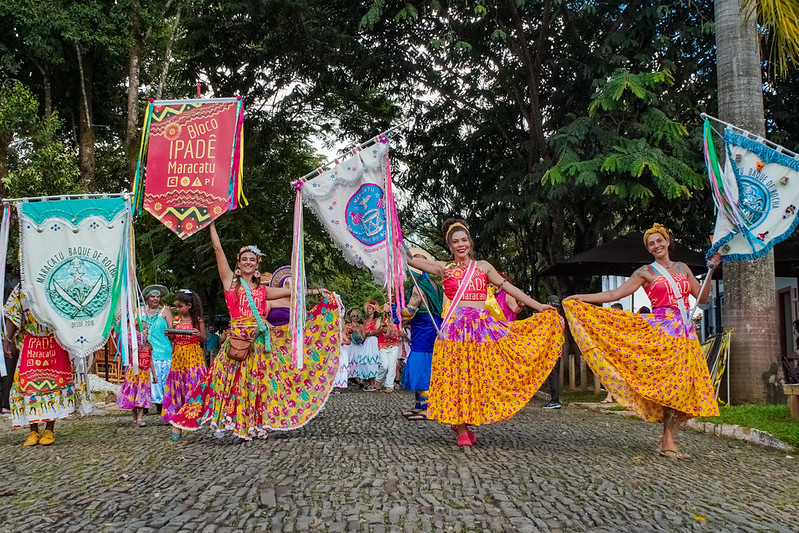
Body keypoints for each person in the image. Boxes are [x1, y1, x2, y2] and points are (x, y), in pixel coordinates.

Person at [168, 221, 339, 440]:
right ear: (238, 264)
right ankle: (179, 423)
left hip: (257, 346)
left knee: (257, 385)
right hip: (236, 344)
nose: (248, 262)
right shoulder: (231, 283)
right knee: (213, 383)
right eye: (244, 259)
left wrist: (317, 291)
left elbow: (293, 292)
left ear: (257, 266)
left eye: (252, 260)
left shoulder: (262, 290)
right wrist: (211, 225)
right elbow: (218, 250)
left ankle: (253, 424)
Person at [563, 223, 720, 459]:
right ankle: (667, 441)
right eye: (651, 244)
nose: (656, 245)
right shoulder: (645, 272)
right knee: (667, 386)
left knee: (683, 387)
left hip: (686, 335)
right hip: (661, 333)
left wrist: (712, 271)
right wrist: (582, 298)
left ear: (668, 242)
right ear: (649, 249)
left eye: (659, 241)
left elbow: (703, 297)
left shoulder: (684, 268)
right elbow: (613, 295)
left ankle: (668, 440)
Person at [406, 219, 564, 446]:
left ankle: (465, 420)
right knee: (457, 378)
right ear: (450, 247)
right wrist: (392, 243)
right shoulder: (445, 268)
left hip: (481, 329)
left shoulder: (483, 267)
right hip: (454, 332)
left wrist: (538, 306)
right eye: (455, 242)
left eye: (464, 240)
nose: (460, 245)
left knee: (479, 377)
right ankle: (460, 428)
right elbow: (409, 261)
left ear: (470, 242)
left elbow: (510, 288)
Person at [2, 284, 92, 446]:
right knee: (27, 385)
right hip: (32, 342)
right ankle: (33, 431)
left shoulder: (54, 282)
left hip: (55, 342)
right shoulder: (21, 289)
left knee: (54, 385)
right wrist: (7, 340)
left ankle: (50, 429)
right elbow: (12, 314)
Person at [402, 248, 444, 421]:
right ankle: (419, 405)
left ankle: (427, 407)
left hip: (424, 329)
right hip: (431, 326)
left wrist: (398, 312)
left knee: (422, 364)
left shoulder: (419, 286)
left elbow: (411, 309)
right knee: (425, 362)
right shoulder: (435, 285)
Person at [162, 290, 208, 440]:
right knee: (178, 388)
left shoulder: (197, 320)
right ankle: (177, 421)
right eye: (176, 307)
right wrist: (170, 335)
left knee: (193, 387)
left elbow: (204, 338)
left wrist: (198, 334)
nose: (178, 309)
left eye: (180, 306)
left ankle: (193, 418)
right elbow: (173, 338)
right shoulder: (176, 320)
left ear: (189, 306)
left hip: (193, 358)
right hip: (178, 359)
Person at [117, 321, 157, 427]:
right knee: (133, 395)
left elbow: (151, 361)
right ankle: (134, 419)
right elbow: (127, 356)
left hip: (144, 374)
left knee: (141, 396)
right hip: (134, 374)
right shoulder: (134, 346)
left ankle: (139, 419)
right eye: (144, 329)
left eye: (147, 328)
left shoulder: (148, 346)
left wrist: (154, 375)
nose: (146, 331)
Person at [141, 285, 173, 414]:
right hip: (145, 351)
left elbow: (171, 330)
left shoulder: (165, 311)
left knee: (162, 378)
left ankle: (161, 405)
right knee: (146, 378)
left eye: (158, 296)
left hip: (163, 350)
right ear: (147, 298)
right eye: (152, 296)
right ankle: (144, 404)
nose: (155, 299)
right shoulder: (139, 311)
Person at [542, 295, 563, 410]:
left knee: (553, 376)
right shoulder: (560, 318)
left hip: (550, 351)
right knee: (554, 375)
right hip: (558, 350)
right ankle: (555, 399)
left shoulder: (547, 318)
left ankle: (555, 400)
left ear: (549, 304)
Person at [375, 303, 400, 393]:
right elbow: (376, 328)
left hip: (394, 343)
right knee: (385, 365)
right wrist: (382, 326)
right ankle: (378, 379)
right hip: (383, 343)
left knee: (392, 365)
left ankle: (389, 385)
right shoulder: (381, 318)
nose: (387, 309)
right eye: (386, 307)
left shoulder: (396, 319)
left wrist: (395, 331)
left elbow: (400, 331)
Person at [357, 301, 381, 391]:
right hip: (367, 341)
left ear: (374, 310)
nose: (368, 310)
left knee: (372, 360)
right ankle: (367, 381)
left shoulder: (377, 320)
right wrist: (363, 333)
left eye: (370, 308)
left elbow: (377, 330)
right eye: (367, 309)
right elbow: (363, 332)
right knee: (365, 360)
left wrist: (369, 332)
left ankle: (373, 382)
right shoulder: (365, 321)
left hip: (373, 341)